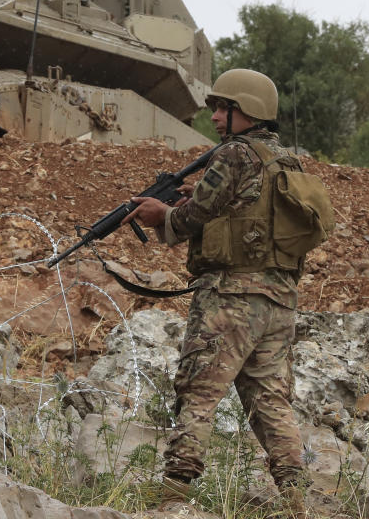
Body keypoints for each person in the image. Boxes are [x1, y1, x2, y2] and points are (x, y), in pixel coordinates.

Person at [123, 68, 311, 517]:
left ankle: (173, 498)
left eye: (225, 108)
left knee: (199, 393)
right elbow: (248, 209)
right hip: (279, 300)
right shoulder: (286, 160)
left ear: (249, 111)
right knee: (270, 401)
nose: (216, 118)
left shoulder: (231, 156)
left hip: (230, 299)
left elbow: (191, 220)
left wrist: (161, 215)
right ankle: (296, 500)